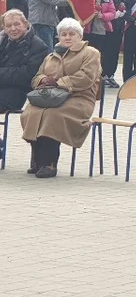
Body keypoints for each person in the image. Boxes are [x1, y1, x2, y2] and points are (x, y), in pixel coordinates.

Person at [20, 17, 101, 178]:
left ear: (80, 36)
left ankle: (49, 164)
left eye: (72, 34)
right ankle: (38, 158)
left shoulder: (90, 53)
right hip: (50, 97)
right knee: (30, 112)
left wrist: (59, 83)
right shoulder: (51, 56)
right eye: (63, 34)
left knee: (52, 115)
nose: (67, 37)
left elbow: (86, 77)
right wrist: (43, 80)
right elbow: (37, 76)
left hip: (79, 98)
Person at [0, 11, 50, 133]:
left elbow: (27, 74)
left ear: (26, 24)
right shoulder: (2, 41)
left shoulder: (38, 46)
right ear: (4, 28)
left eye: (17, 24)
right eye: (8, 25)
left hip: (15, 92)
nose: (13, 29)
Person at [84, 0, 117, 72]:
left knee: (98, 55)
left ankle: (97, 75)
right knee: (87, 55)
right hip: (87, 29)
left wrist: (102, 16)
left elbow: (113, 13)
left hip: (101, 30)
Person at [101, 0, 126, 88]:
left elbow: (126, 5)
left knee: (115, 52)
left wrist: (124, 12)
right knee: (106, 51)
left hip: (119, 26)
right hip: (107, 26)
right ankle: (104, 75)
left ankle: (111, 75)